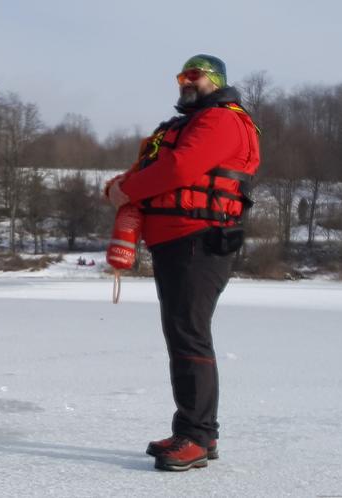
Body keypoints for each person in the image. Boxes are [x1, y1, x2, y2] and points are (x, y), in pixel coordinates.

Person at [105, 54, 260, 471]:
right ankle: (196, 433)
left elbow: (179, 166)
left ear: (217, 80)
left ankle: (196, 435)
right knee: (182, 333)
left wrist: (130, 189)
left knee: (189, 333)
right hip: (175, 241)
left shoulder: (222, 120)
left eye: (196, 75)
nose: (186, 82)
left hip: (199, 240)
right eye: (182, 76)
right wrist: (120, 187)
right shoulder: (185, 124)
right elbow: (155, 165)